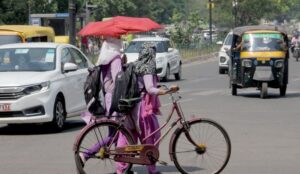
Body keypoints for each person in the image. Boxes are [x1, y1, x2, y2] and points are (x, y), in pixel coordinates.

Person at [116, 43, 178, 174]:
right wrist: (165, 92)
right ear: (151, 54)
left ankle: (121, 169)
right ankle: (151, 169)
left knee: (128, 136)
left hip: (130, 106)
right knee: (152, 137)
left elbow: (142, 85)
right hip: (143, 108)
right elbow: (149, 88)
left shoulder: (135, 64)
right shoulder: (148, 67)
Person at [79, 36, 123, 165]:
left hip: (106, 98)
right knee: (116, 134)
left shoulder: (105, 58)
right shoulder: (115, 58)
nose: (120, 39)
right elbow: (118, 80)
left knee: (115, 134)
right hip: (114, 99)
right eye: (118, 38)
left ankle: (123, 166)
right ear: (114, 42)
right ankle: (86, 154)